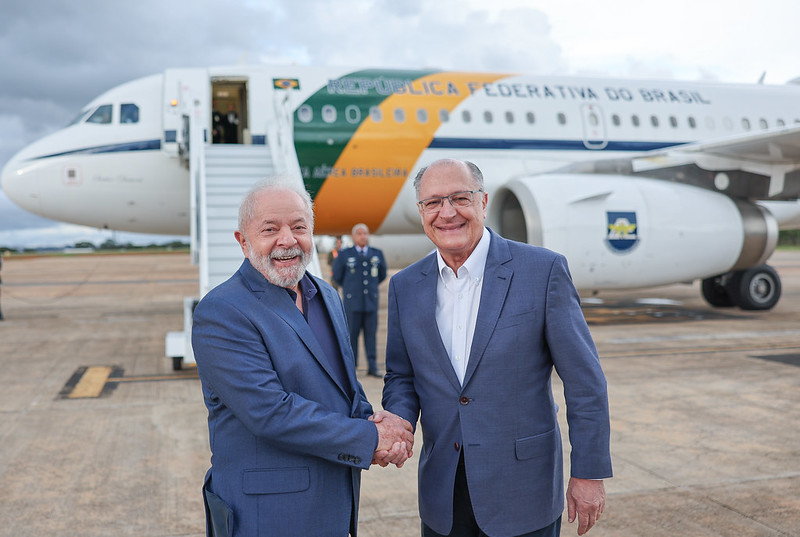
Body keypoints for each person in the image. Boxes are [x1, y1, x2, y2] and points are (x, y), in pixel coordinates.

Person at [380, 159, 612, 537]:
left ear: (483, 202)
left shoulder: (542, 271)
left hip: (524, 490)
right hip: (443, 496)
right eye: (434, 203)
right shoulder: (405, 286)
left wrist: (588, 472)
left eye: (460, 198)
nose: (448, 212)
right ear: (422, 212)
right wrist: (399, 422)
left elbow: (586, 383)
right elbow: (402, 376)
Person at [191, 180, 413, 537]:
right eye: (270, 229)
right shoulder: (221, 312)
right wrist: (370, 438)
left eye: (299, 227)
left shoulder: (326, 295)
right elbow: (270, 412)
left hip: (334, 504)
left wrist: (374, 420)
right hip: (269, 514)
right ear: (242, 241)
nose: (287, 240)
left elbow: (345, 389)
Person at [333, 224, 387, 377]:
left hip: (370, 302)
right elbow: (337, 276)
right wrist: (351, 289)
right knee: (352, 335)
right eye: (359, 233)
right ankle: (352, 367)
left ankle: (372, 366)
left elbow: (381, 274)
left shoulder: (376, 254)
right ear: (353, 237)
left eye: (365, 233)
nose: (363, 236)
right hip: (353, 303)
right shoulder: (344, 255)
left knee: (371, 335)